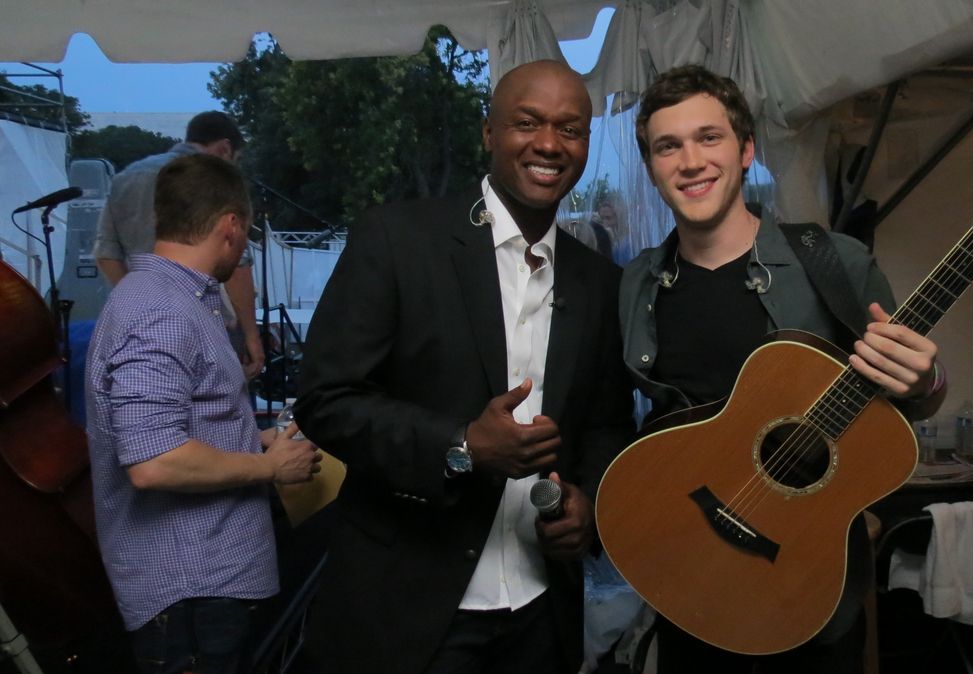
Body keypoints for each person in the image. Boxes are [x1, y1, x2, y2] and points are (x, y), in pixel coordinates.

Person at [293, 59, 634, 674]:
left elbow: (607, 425)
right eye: (527, 122)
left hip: (541, 610)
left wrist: (590, 506)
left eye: (571, 128)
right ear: (488, 133)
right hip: (410, 607)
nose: (549, 144)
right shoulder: (397, 241)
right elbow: (325, 399)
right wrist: (462, 445)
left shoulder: (599, 280)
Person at [620, 64, 946, 672]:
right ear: (652, 168)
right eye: (669, 146)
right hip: (689, 571)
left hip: (806, 579)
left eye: (709, 137)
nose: (690, 161)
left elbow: (912, 398)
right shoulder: (637, 283)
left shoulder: (835, 262)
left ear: (745, 151)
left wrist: (927, 381)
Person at [85, 153, 321, 674]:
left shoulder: (174, 299)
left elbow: (182, 422)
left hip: (204, 587)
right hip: (190, 594)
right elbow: (154, 462)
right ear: (231, 226)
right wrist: (270, 467)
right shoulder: (159, 312)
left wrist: (253, 438)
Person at [93, 111, 265, 381]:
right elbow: (236, 264)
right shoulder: (213, 182)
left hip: (135, 325)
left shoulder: (125, 178)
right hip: (209, 323)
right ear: (225, 148)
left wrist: (140, 303)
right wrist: (252, 336)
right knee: (222, 412)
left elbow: (106, 254)